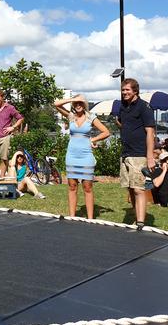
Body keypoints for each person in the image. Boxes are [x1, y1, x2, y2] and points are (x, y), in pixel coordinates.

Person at [54, 94, 110, 219]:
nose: (78, 105)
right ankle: (72, 217)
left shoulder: (91, 118)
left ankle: (90, 219)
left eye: (81, 103)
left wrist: (93, 140)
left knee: (88, 187)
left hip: (86, 156)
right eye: (76, 103)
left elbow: (106, 132)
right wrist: (73, 99)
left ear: (85, 104)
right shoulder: (71, 117)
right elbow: (56, 104)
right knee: (72, 186)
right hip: (72, 155)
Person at [117, 78, 155, 229]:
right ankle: (135, 217)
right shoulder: (123, 106)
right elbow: (121, 122)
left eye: (127, 90)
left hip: (139, 154)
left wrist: (150, 156)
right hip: (125, 153)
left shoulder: (144, 107)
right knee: (130, 188)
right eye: (123, 90)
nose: (124, 92)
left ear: (135, 91)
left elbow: (150, 132)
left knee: (139, 188)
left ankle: (140, 222)